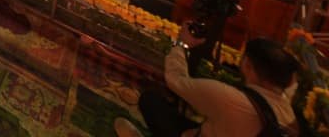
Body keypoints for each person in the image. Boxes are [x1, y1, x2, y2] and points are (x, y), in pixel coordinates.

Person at [114, 26, 298, 137]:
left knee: (151, 100)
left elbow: (176, 80)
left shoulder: (230, 99)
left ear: (248, 64)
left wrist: (182, 44)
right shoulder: (288, 113)